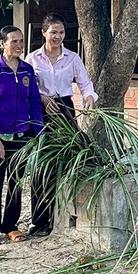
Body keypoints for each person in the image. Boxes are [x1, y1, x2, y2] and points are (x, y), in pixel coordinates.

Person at [25, 13, 98, 237]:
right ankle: (39, 220)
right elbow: (26, 88)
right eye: (53, 32)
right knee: (41, 163)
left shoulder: (72, 58)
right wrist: (42, 98)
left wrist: (89, 98)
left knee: (65, 162)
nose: (57, 36)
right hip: (41, 112)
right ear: (44, 33)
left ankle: (62, 215)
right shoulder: (32, 59)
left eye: (61, 32)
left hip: (65, 110)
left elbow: (86, 84)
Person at [0, 26, 44, 245]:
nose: (18, 45)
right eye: (13, 41)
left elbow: (34, 102)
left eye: (21, 41)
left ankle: (10, 226)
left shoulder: (26, 70)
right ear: (2, 43)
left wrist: (38, 133)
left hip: (22, 137)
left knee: (16, 183)